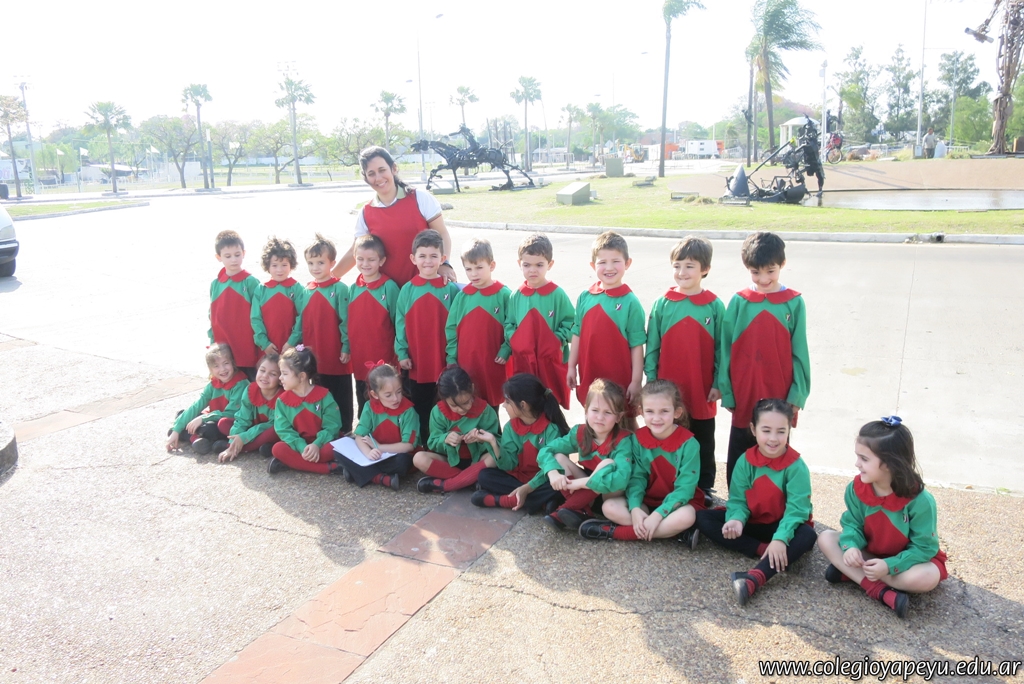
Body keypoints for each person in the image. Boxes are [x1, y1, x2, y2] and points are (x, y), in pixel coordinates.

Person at [817, 417, 947, 620]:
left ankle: (853, 574)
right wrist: (851, 546)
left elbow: (924, 548)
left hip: (906, 563)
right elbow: (852, 523)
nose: (857, 464)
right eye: (857, 457)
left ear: (888, 463)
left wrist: (889, 566)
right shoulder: (856, 488)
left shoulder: (921, 501)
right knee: (826, 538)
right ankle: (880, 591)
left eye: (864, 459)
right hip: (870, 553)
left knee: (928, 577)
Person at [694, 399, 817, 607]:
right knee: (703, 517)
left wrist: (780, 539)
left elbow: (797, 511)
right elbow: (738, 500)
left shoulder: (796, 466)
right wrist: (736, 519)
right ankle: (767, 552)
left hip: (782, 526)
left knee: (807, 535)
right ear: (753, 429)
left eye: (781, 431)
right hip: (753, 522)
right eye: (766, 430)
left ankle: (754, 578)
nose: (773, 438)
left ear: (789, 429)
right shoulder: (745, 461)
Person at [718, 232, 810, 488]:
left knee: (775, 446)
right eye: (755, 273)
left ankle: (776, 499)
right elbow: (726, 349)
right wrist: (727, 392)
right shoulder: (739, 301)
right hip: (744, 389)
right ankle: (737, 501)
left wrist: (798, 394)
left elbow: (800, 351)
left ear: (782, 264)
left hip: (780, 390)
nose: (764, 279)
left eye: (770, 271)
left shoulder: (794, 303)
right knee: (741, 447)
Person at [645, 236, 725, 496]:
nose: (682, 272)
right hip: (668, 389)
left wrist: (718, 383)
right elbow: (652, 346)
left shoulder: (714, 306)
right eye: (677, 266)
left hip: (701, 387)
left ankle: (704, 486)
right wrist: (651, 380)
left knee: (703, 438)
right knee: (670, 435)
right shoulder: (663, 303)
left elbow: (722, 350)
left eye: (690, 266)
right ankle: (670, 482)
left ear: (705, 269)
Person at [579, 380, 703, 545]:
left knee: (687, 516)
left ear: (677, 412)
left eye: (664, 411)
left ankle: (615, 532)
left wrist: (658, 515)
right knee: (609, 507)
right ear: (641, 412)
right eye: (650, 411)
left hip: (678, 504)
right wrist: (635, 508)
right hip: (646, 500)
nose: (656, 418)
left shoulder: (689, 444)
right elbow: (637, 478)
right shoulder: (637, 438)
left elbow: (685, 489)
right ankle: (672, 533)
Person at [331, 146, 456, 287]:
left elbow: (442, 233)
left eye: (382, 170)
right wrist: (328, 279)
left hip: (424, 288)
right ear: (366, 178)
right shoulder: (366, 212)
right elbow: (354, 252)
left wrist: (444, 263)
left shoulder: (420, 198)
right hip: (386, 293)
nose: (378, 178)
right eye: (371, 173)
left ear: (394, 168)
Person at [538, 378, 634, 532]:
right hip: (585, 492)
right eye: (595, 410)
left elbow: (621, 480)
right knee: (558, 458)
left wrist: (579, 483)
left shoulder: (624, 440)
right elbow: (546, 450)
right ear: (586, 410)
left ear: (618, 417)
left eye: (608, 412)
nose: (600, 417)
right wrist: (552, 473)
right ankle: (582, 510)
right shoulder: (580, 432)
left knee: (607, 464)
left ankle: (564, 510)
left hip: (610, 495)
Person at [566, 231, 646, 409]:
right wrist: (571, 366)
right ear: (593, 265)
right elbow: (576, 334)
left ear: (627, 263)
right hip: (590, 375)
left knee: (622, 419)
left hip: (619, 379)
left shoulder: (630, 302)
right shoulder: (585, 297)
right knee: (593, 416)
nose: (609, 268)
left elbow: (637, 345)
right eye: (602, 262)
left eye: (616, 261)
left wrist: (636, 381)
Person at [395, 229, 461, 442]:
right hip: (417, 363)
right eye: (422, 256)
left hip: (443, 362)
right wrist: (401, 353)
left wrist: (452, 358)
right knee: (420, 407)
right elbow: (400, 324)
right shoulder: (407, 290)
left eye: (433, 256)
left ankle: (444, 444)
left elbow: (455, 327)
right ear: (413, 258)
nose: (428, 261)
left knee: (444, 407)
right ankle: (423, 444)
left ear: (442, 259)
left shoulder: (450, 290)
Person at [472, 373, 570, 514]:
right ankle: (541, 502)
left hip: (543, 479)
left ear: (523, 405)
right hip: (518, 478)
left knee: (561, 484)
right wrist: (493, 442)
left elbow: (553, 469)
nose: (503, 405)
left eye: (508, 401)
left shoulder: (551, 430)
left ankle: (504, 500)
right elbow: (509, 465)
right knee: (484, 476)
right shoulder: (510, 427)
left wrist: (528, 488)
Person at [290, 233, 354, 434]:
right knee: (319, 394)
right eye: (311, 263)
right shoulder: (306, 291)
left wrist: (346, 347)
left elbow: (346, 322)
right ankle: (325, 431)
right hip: (314, 356)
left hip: (336, 355)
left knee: (341, 395)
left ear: (332, 263)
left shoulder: (340, 289)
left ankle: (345, 430)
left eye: (320, 262)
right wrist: (291, 343)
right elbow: (300, 322)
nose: (315, 268)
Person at [503, 233, 575, 409]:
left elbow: (572, 323)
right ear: (519, 264)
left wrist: (556, 339)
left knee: (550, 402)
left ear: (550, 264)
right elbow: (509, 323)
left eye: (539, 265)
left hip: (550, 360)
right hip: (524, 361)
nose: (532, 270)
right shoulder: (516, 295)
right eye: (527, 265)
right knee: (526, 404)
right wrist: (515, 339)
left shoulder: (557, 294)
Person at [444, 238, 511, 408]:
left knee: (492, 407)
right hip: (466, 365)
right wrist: (451, 357)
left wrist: (506, 349)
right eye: (468, 269)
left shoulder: (504, 294)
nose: (474, 274)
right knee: (469, 406)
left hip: (493, 364)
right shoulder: (462, 296)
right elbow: (451, 329)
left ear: (492, 265)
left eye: (479, 268)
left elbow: (513, 326)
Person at [414, 365, 501, 494]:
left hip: (477, 461)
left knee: (493, 457)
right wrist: (445, 439)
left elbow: (496, 441)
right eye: (454, 405)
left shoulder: (485, 410)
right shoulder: (438, 412)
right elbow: (432, 442)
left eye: (466, 402)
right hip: (449, 461)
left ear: (472, 389)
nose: (461, 409)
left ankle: (447, 485)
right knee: (419, 458)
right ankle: (470, 479)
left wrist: (481, 439)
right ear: (444, 398)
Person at [337, 362, 418, 490]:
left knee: (403, 462)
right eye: (388, 395)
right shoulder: (369, 407)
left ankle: (360, 472)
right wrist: (369, 453)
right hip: (374, 453)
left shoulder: (408, 411)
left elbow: (408, 446)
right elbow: (359, 436)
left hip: (395, 455)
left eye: (399, 392)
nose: (396, 398)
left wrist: (379, 447)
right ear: (375, 394)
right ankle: (382, 478)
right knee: (339, 451)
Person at [267, 346, 344, 476]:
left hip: (322, 443)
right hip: (298, 446)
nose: (280, 378)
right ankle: (329, 468)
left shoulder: (324, 396)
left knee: (334, 448)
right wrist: (302, 447)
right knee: (278, 449)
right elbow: (283, 430)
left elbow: (333, 426)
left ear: (302, 376)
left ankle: (292, 462)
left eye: (284, 374)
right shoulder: (282, 401)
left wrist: (317, 445)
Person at [345, 234, 400, 416]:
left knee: (385, 395)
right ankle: (365, 427)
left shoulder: (389, 287)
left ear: (381, 261)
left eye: (371, 259)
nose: (365, 264)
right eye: (360, 259)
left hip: (384, 356)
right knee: (363, 397)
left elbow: (398, 322)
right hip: (360, 356)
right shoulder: (353, 288)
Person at [166, 343, 248, 455]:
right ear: (210, 369)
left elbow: (231, 413)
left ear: (233, 363)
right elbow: (197, 405)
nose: (222, 369)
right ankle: (194, 438)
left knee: (210, 429)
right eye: (216, 366)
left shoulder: (240, 384)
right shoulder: (213, 384)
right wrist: (176, 430)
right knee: (181, 414)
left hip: (230, 421)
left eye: (226, 363)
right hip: (213, 416)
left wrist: (202, 418)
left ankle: (190, 436)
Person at [209, 230, 261, 380]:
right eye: (228, 256)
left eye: (237, 254)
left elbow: (259, 315)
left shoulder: (250, 282)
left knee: (251, 384)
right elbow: (212, 316)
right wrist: (212, 342)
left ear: (243, 253)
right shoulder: (216, 284)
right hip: (223, 349)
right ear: (218, 257)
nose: (233, 260)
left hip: (246, 348)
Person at [217, 352, 283, 462]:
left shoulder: (282, 398)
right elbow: (242, 419)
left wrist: (243, 437)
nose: (265, 376)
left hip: (267, 431)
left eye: (272, 374)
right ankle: (237, 445)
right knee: (223, 423)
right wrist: (233, 441)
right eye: (262, 370)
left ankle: (241, 448)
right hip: (251, 429)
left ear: (280, 379)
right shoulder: (250, 390)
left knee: (274, 430)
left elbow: (273, 424)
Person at [250, 237, 302, 358]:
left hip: (291, 349)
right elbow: (255, 319)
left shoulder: (297, 288)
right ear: (267, 266)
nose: (279, 270)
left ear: (291, 265)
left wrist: (292, 341)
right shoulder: (261, 289)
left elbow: (302, 317)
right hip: (267, 349)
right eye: (274, 265)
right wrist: (264, 343)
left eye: (284, 265)